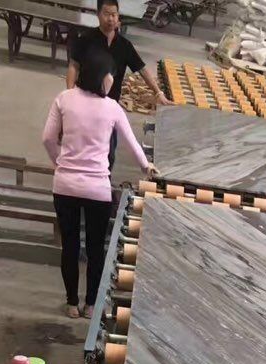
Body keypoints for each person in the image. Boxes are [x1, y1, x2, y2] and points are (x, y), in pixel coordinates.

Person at [43, 50, 156, 319]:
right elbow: (131, 142)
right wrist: (146, 166)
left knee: (70, 246)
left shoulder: (64, 98)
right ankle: (91, 304)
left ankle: (72, 304)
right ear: (103, 77)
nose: (112, 81)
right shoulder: (112, 108)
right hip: (97, 189)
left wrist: (60, 163)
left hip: (65, 186)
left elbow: (47, 138)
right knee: (95, 248)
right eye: (111, 76)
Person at [67, 0, 171, 169]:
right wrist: (70, 94)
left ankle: (104, 178)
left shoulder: (124, 45)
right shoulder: (85, 39)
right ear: (98, 15)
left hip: (110, 106)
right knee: (82, 146)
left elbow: (142, 69)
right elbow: (74, 66)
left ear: (118, 17)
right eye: (106, 14)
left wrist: (158, 92)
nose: (110, 19)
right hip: (85, 103)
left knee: (108, 153)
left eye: (114, 15)